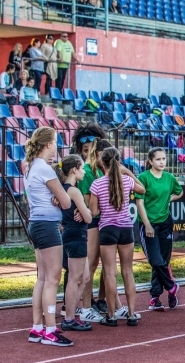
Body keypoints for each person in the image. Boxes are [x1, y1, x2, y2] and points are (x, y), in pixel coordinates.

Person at [24, 127, 73, 347]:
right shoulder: (44, 168)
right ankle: (50, 330)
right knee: (53, 279)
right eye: (55, 143)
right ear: (48, 144)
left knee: (42, 278)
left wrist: (55, 197)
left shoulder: (30, 166)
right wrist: (57, 197)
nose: (57, 147)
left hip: (36, 223)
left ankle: (37, 328)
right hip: (47, 225)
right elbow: (66, 202)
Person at [90, 147, 146, 326]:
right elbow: (142, 189)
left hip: (107, 228)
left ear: (103, 163)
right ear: (119, 161)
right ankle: (131, 314)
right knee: (127, 272)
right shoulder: (127, 181)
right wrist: (128, 172)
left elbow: (94, 211)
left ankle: (111, 315)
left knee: (110, 273)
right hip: (126, 228)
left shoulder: (97, 184)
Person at [135, 148, 183, 311]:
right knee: (155, 260)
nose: (162, 162)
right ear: (150, 161)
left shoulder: (169, 177)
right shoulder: (143, 177)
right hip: (148, 224)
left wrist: (168, 199)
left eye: (164, 159)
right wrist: (147, 225)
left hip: (165, 223)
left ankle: (156, 297)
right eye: (158, 159)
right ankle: (171, 286)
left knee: (164, 260)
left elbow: (179, 192)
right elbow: (139, 203)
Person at [53, 154, 94, 331]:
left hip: (74, 234)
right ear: (73, 170)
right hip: (76, 235)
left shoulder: (62, 190)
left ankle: (71, 313)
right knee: (75, 278)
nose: (84, 172)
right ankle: (69, 318)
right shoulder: (73, 191)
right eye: (82, 168)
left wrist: (83, 212)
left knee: (84, 277)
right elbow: (88, 217)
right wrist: (85, 212)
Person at [74, 128, 111, 316]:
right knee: (91, 264)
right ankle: (86, 305)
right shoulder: (87, 171)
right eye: (86, 150)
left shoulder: (106, 169)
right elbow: (89, 203)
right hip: (94, 221)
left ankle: (102, 300)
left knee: (108, 264)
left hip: (107, 220)